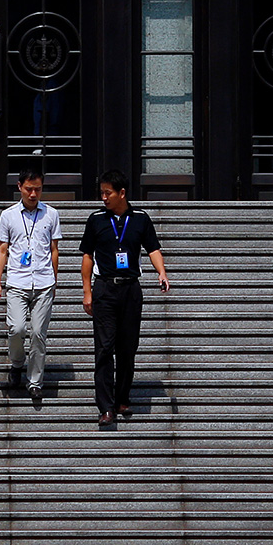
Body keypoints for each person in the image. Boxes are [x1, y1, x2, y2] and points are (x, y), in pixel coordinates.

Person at [79, 168, 170, 428]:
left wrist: (161, 272)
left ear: (122, 193)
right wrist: (87, 292)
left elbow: (153, 248)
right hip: (105, 289)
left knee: (127, 348)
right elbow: (86, 257)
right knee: (104, 349)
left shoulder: (140, 219)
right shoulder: (96, 219)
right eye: (101, 193)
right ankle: (106, 407)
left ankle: (122, 398)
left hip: (130, 289)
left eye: (108, 193)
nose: (104, 198)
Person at [0, 169, 61, 399]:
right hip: (17, 281)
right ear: (19, 186)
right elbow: (2, 250)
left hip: (43, 281)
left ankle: (35, 382)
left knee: (39, 333)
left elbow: (54, 249)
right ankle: (17, 362)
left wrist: (54, 277)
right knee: (17, 328)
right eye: (29, 189)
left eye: (38, 189)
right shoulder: (8, 215)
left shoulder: (51, 214)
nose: (33, 194)